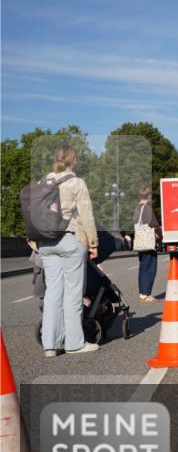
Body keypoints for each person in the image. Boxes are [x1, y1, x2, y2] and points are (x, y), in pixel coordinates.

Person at [31, 145, 100, 356]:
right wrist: (93, 243)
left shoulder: (42, 182)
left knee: (52, 293)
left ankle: (50, 345)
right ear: (73, 160)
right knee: (72, 294)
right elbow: (86, 215)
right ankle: (74, 343)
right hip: (70, 239)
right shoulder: (76, 183)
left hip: (45, 243)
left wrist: (34, 241)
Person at [132, 187, 161, 303]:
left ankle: (142, 293)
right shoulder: (147, 208)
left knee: (142, 267)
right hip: (148, 242)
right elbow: (154, 224)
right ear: (149, 196)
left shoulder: (136, 208)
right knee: (150, 268)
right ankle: (146, 293)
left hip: (140, 242)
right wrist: (159, 235)